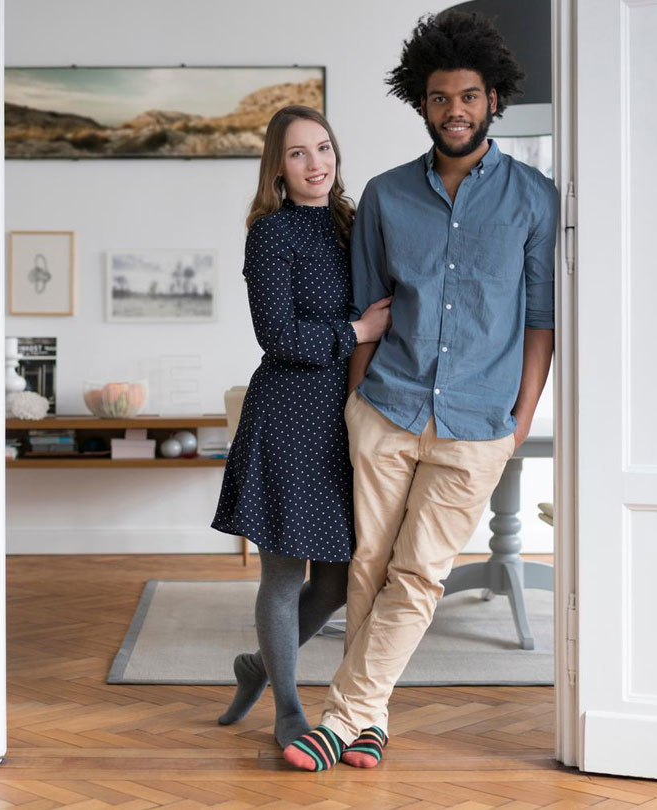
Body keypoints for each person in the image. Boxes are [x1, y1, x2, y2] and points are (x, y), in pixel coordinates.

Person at [282, 12, 558, 772]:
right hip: (387, 407)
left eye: (470, 95)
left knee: (420, 573)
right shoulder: (383, 196)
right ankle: (371, 719)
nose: (456, 110)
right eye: (441, 98)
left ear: (493, 100)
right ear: (423, 103)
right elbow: (367, 316)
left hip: (479, 421)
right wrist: (353, 408)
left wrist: (518, 422)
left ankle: (342, 718)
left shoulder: (536, 199)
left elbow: (541, 323)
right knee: (370, 564)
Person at [211, 105, 394, 748]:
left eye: (323, 148)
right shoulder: (270, 233)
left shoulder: (354, 222)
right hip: (288, 414)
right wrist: (358, 331)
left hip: (348, 418)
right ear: (278, 166)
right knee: (285, 575)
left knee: (340, 580)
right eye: (298, 153)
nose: (316, 163)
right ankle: (287, 706)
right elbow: (278, 335)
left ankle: (259, 665)